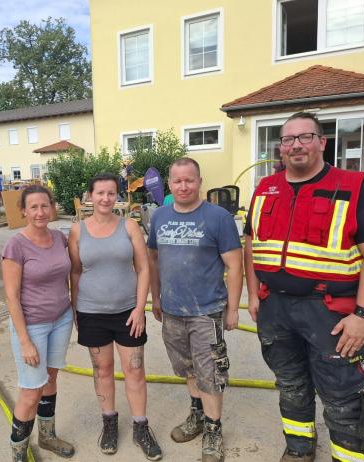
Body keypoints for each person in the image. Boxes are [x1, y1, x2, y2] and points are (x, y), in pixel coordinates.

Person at [243, 112, 364, 462]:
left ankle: (350, 457)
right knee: (291, 384)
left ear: (322, 142)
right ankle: (299, 449)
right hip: (275, 308)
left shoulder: (353, 187)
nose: (296, 145)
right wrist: (253, 293)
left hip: (331, 312)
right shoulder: (266, 188)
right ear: (280, 147)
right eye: (288, 139)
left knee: (342, 394)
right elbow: (252, 244)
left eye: (305, 137)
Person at [148, 158, 242, 462]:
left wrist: (233, 309)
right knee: (187, 368)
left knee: (210, 373)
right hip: (173, 310)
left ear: (200, 181)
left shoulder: (218, 217)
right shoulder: (160, 216)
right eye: (177, 181)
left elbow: (235, 264)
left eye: (189, 180)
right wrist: (156, 298)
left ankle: (214, 430)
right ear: (169, 184)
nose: (183, 186)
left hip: (207, 311)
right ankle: (197, 415)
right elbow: (152, 259)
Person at [69, 173, 163, 461]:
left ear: (117, 196)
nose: (106, 198)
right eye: (100, 193)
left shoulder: (130, 226)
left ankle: (140, 426)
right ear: (90, 196)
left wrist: (140, 308)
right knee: (103, 370)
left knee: (134, 370)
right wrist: (75, 310)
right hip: (91, 312)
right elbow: (75, 271)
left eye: (111, 193)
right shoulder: (77, 231)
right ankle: (109, 421)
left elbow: (144, 268)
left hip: (127, 312)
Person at [2, 185, 75, 462]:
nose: (40, 212)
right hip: (32, 326)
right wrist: (24, 340)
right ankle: (18, 453)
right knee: (31, 391)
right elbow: (11, 296)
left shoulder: (59, 238)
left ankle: (47, 436)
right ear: (23, 211)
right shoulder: (16, 245)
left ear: (52, 208)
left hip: (61, 319)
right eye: (33, 207)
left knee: (51, 379)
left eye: (45, 206)